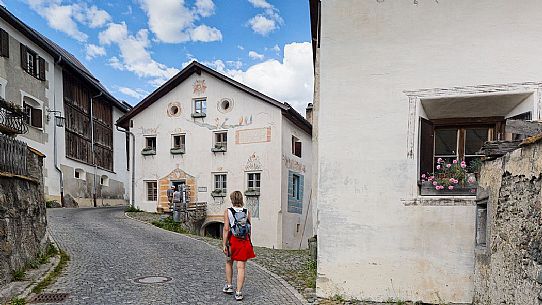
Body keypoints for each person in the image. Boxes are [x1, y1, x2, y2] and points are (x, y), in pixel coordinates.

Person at [222, 191, 255, 301]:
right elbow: (249, 228)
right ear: (241, 199)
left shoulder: (228, 211)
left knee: (229, 262)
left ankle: (229, 286)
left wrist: (224, 244)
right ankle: (239, 292)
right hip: (244, 241)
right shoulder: (247, 211)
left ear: (232, 199)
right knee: (241, 267)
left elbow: (226, 229)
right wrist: (249, 241)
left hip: (233, 241)